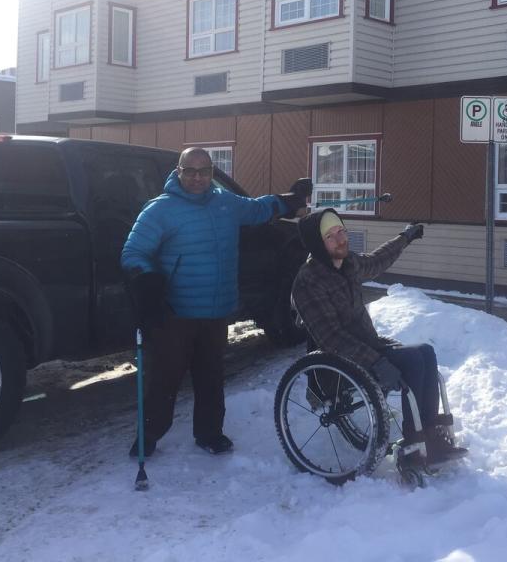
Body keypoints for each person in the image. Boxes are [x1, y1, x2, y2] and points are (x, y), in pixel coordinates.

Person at [121, 147, 311, 457]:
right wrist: (146, 278)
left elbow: (256, 209)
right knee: (164, 380)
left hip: (217, 310)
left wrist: (289, 201)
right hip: (175, 313)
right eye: (190, 171)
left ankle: (209, 433)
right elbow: (133, 252)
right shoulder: (160, 210)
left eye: (204, 171)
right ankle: (149, 435)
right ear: (179, 172)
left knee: (210, 377)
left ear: (212, 172)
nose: (197, 178)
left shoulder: (225, 202)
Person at [291, 208, 467, 464]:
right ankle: (414, 444)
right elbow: (332, 338)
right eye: (331, 236)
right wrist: (376, 361)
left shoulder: (347, 263)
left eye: (341, 231)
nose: (341, 239)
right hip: (338, 363)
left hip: (366, 346)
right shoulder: (308, 282)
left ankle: (430, 433)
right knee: (413, 361)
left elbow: (377, 260)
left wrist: (405, 236)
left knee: (426, 352)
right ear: (318, 244)